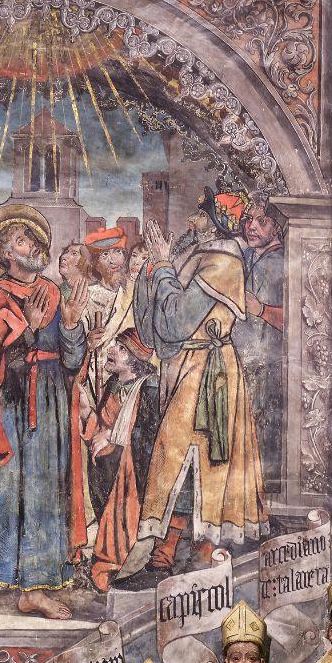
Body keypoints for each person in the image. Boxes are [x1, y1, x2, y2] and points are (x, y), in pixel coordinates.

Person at [0, 205, 87, 620]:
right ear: (7, 251)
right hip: (7, 402)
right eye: (24, 241)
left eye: (36, 240)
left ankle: (35, 587)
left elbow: (72, 358)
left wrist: (72, 325)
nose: (35, 247)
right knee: (1, 488)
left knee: (45, 486)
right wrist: (25, 330)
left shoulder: (55, 291)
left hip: (48, 399)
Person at [119, 193, 266, 576]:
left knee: (194, 460)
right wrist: (154, 270)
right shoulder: (203, 255)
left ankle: (191, 557)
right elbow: (156, 329)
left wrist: (165, 266)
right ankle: (167, 556)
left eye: (199, 215)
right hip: (190, 367)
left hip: (208, 373)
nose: (191, 221)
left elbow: (176, 323)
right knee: (184, 460)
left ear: (216, 220)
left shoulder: (222, 259)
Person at [77, 328, 162, 590]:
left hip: (130, 477)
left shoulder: (148, 388)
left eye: (122, 349)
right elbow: (99, 426)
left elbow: (145, 436)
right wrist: (86, 411)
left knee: (122, 528)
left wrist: (113, 436)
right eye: (115, 345)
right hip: (106, 470)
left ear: (136, 359)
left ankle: (116, 569)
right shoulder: (114, 385)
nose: (113, 351)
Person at [238, 200, 287, 472]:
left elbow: (298, 318)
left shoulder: (279, 263)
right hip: (246, 362)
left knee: (261, 437)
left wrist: (263, 309)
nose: (252, 226)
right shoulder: (250, 258)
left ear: (277, 227)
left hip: (267, 366)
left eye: (261, 221)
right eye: (248, 220)